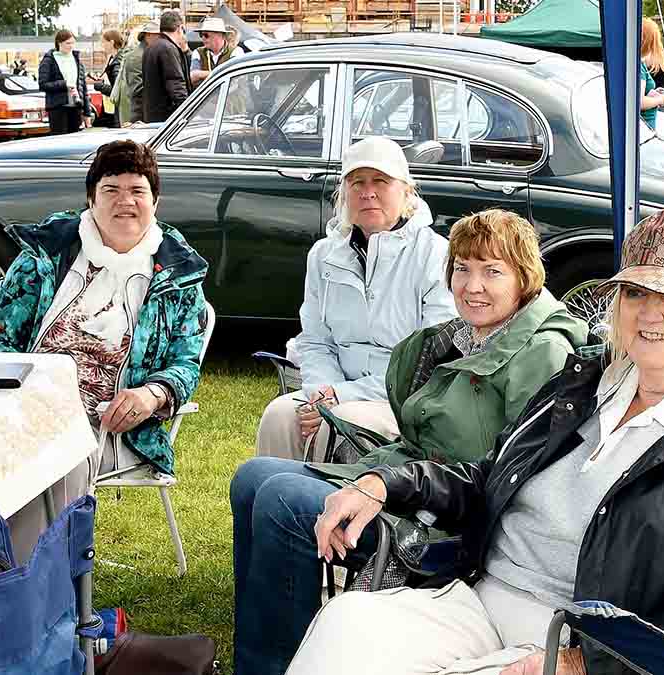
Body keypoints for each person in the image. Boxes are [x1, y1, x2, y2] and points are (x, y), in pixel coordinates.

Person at [291, 208, 664, 675]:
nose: (648, 312)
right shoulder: (588, 383)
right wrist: (385, 482)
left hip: (590, 644)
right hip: (479, 601)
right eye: (635, 292)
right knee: (347, 627)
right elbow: (488, 477)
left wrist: (587, 663)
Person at [232, 210, 587, 675]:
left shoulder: (544, 351)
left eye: (492, 271)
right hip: (408, 477)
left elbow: (508, 474)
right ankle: (264, 644)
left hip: (448, 513)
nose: (473, 286)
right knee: (252, 478)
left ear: (525, 277)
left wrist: (392, 482)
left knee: (285, 500)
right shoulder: (461, 337)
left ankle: (270, 665)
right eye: (462, 268)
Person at [0, 140, 209, 561]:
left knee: (59, 453)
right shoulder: (46, 256)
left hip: (110, 426)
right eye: (111, 190)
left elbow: (185, 362)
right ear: (91, 199)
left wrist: (153, 394)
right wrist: (21, 395)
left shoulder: (176, 276)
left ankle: (33, 581)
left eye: (137, 191)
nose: (126, 201)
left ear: (155, 202)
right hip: (24, 406)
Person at [255, 136, 459, 462]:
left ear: (406, 191)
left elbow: (430, 357)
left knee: (344, 422)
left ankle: (335, 496)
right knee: (280, 416)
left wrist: (342, 396)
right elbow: (316, 341)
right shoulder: (323, 255)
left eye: (381, 181)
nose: (368, 192)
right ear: (344, 193)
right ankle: (277, 496)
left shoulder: (434, 254)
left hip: (405, 400)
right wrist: (321, 394)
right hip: (334, 392)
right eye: (357, 182)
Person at [38, 30, 94, 135]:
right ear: (59, 43)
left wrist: (87, 112)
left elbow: (83, 88)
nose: (71, 46)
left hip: (76, 107)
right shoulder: (49, 60)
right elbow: (43, 84)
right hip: (57, 107)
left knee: (75, 139)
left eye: (73, 43)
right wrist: (64, 84)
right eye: (68, 43)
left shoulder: (77, 60)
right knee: (59, 139)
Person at [142, 10, 190, 123]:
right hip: (167, 117)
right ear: (179, 28)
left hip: (153, 114)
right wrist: (188, 112)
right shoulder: (168, 48)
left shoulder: (151, 47)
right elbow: (176, 84)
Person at [113, 22, 155, 125]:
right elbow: (138, 91)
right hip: (139, 114)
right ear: (148, 35)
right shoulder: (136, 57)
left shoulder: (142, 54)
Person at [190, 17, 243, 87]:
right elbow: (193, 76)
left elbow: (234, 76)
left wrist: (202, 75)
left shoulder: (236, 51)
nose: (203, 38)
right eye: (201, 35)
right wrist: (220, 74)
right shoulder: (198, 52)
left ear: (220, 36)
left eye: (206, 35)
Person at [639, 18, 664, 129]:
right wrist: (661, 99)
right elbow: (639, 102)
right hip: (645, 128)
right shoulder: (639, 66)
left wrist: (652, 93)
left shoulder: (638, 65)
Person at [93, 28, 124, 128]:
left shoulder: (117, 62)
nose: (102, 45)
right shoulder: (113, 59)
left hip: (117, 109)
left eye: (103, 42)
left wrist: (100, 86)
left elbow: (117, 90)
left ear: (111, 42)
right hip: (111, 107)